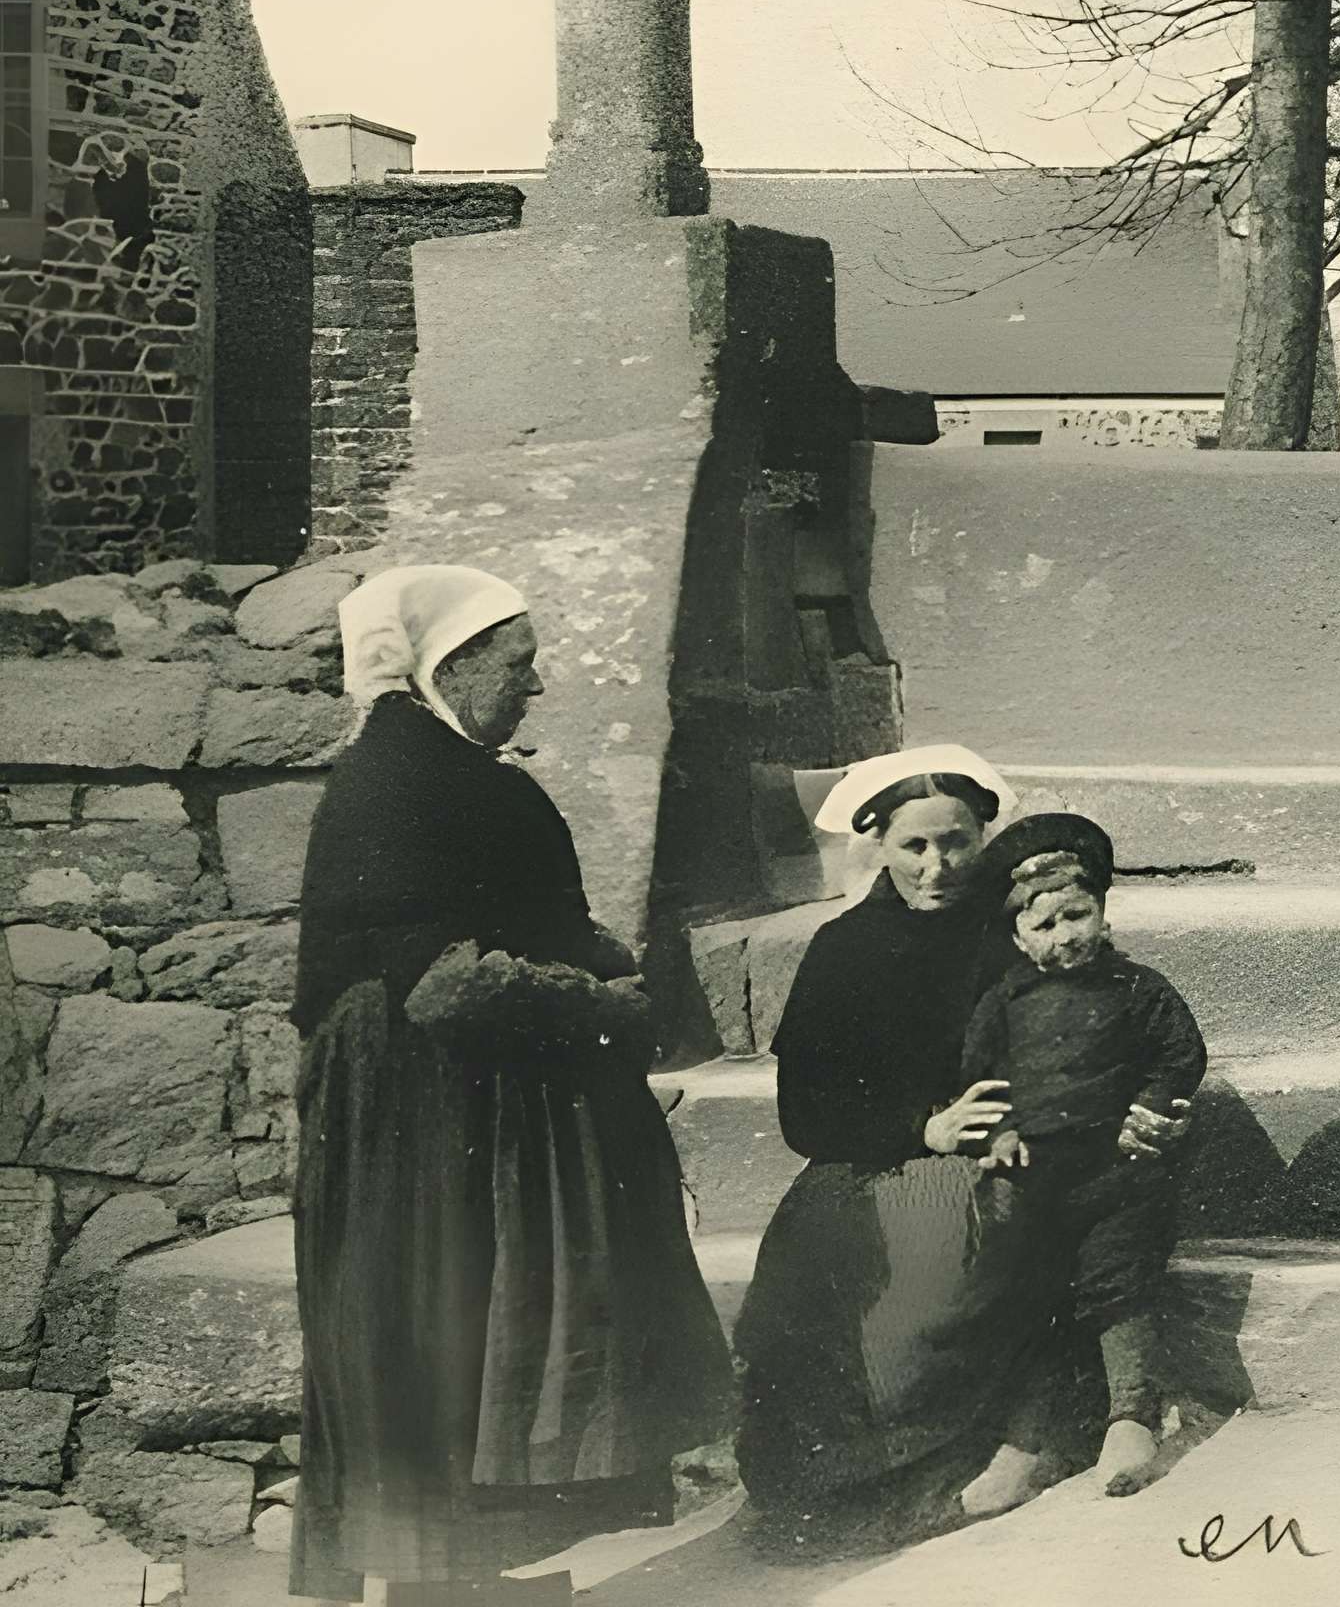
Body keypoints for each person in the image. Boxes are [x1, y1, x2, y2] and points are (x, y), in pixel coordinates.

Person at [290, 566, 734, 1606]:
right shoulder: (398, 784)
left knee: (471, 1349)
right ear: (450, 665)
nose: (536, 686)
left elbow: (530, 917)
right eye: (519, 665)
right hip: (425, 1105)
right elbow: (442, 981)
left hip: (472, 1097)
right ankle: (444, 1585)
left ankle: (468, 1585)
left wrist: (608, 972)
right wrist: (605, 1005)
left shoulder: (451, 773)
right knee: (442, 1336)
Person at [729, 750, 1189, 1556]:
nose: (936, 866)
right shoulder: (844, 947)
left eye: (956, 843)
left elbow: (1103, 1033)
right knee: (814, 1275)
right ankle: (819, 1483)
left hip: (1010, 1156)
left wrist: (1144, 1109)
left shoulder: (1017, 928)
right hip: (874, 1158)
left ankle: (1003, 1444)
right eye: (914, 846)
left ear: (983, 840)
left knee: (955, 1265)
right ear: (879, 845)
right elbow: (806, 1111)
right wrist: (924, 1127)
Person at [952, 811, 1209, 1504]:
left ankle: (1131, 1420)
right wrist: (998, 1132)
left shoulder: (1136, 988)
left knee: (1116, 1278)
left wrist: (1148, 1111)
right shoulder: (1004, 1002)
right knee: (1028, 1292)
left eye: (1077, 915)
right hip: (1035, 1180)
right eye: (1044, 924)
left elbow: (1179, 1055)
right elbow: (979, 1078)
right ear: (1018, 936)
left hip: (1119, 1172)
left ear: (1101, 912)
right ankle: (1028, 1441)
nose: (1064, 934)